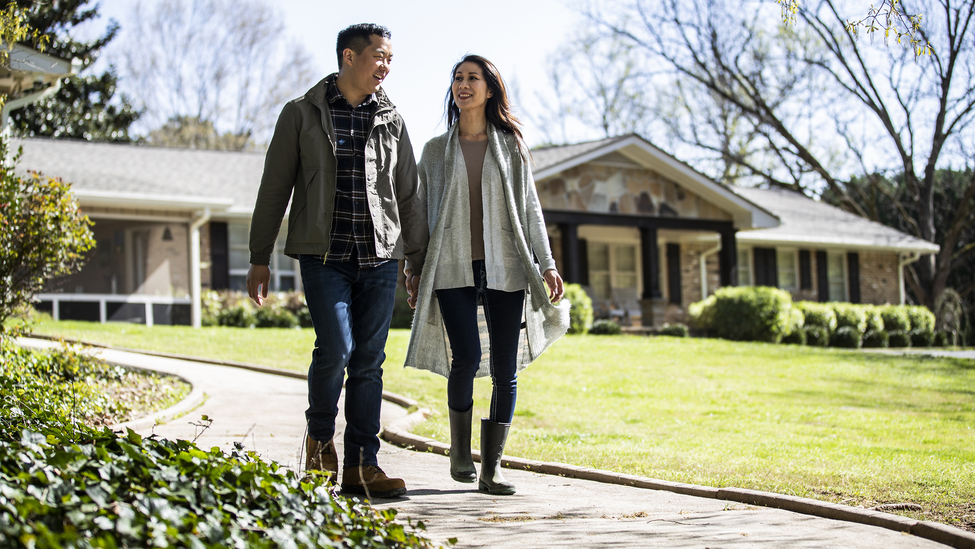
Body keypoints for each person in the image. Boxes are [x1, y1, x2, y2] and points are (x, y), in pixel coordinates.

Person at [246, 23, 427, 499]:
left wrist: (417, 259)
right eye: (378, 57)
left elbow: (408, 195)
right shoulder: (301, 114)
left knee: (369, 361)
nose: (385, 67)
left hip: (380, 257)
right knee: (337, 349)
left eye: (390, 59)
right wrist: (258, 256)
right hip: (323, 255)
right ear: (349, 56)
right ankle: (320, 443)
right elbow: (274, 187)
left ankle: (363, 465)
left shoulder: (392, 120)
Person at [403, 55, 569, 495]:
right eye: (457, 78)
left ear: (489, 89)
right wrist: (413, 267)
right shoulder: (435, 150)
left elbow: (530, 208)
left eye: (472, 78)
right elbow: (419, 214)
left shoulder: (510, 146)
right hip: (452, 264)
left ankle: (491, 468)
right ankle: (460, 452)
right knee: (467, 357)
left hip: (507, 264)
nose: (463, 85)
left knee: (504, 369)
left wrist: (547, 263)